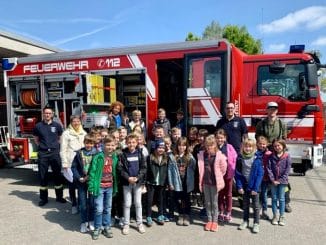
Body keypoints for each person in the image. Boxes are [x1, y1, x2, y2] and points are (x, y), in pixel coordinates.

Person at [255, 101, 292, 213]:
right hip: (265, 153)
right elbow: (258, 137)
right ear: (267, 110)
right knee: (263, 178)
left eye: (274, 109)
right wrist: (264, 147)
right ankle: (261, 202)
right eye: (270, 108)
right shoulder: (261, 124)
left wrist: (279, 150)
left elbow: (284, 138)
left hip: (277, 153)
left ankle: (286, 202)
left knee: (283, 179)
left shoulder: (282, 124)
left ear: (277, 110)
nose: (272, 111)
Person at [33, 106, 66, 206]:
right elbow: (36, 139)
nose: (47, 115)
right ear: (43, 114)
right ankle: (44, 199)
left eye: (49, 113)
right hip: (43, 153)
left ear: (52, 114)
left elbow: (60, 138)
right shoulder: (38, 126)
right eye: (45, 113)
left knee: (57, 175)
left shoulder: (57, 125)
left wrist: (55, 146)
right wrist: (43, 146)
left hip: (54, 153)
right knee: (43, 176)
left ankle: (59, 197)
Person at [88, 136, 118, 240]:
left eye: (112, 145)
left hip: (110, 187)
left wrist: (116, 187)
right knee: (98, 209)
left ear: (114, 146)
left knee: (108, 209)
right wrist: (91, 187)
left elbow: (116, 173)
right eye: (108, 145)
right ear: (103, 145)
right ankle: (97, 228)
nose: (110, 147)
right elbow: (92, 172)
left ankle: (106, 227)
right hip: (99, 187)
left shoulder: (115, 157)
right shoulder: (98, 156)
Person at [197, 135, 227, 232]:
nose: (209, 147)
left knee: (214, 203)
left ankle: (215, 221)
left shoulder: (220, 156)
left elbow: (223, 169)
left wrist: (218, 176)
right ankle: (209, 220)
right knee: (208, 202)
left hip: (215, 183)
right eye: (207, 145)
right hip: (205, 182)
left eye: (211, 145)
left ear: (215, 145)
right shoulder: (202, 155)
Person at [118, 133, 147, 235]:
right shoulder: (122, 154)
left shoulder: (140, 153)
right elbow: (120, 169)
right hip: (127, 183)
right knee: (127, 204)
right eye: (129, 142)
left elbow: (144, 168)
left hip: (137, 183)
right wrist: (128, 178)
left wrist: (138, 177)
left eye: (133, 142)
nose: (131, 144)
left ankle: (139, 223)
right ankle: (126, 224)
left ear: (136, 143)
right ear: (126, 143)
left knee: (138, 203)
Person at [60, 115, 87, 214]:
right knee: (71, 185)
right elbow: (62, 150)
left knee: (81, 184)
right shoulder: (66, 134)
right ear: (71, 122)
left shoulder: (84, 133)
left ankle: (80, 204)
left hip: (81, 163)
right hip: (70, 162)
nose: (76, 123)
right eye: (74, 121)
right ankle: (74, 204)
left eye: (78, 121)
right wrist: (64, 163)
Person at [235, 138, 264, 233]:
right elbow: (238, 173)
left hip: (255, 187)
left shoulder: (257, 158)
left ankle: (256, 223)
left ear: (254, 147)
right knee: (245, 205)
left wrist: (255, 188)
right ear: (243, 147)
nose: (248, 148)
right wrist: (239, 186)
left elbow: (260, 174)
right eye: (246, 146)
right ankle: (245, 221)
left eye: (250, 146)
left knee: (256, 206)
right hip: (245, 186)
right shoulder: (240, 158)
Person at [71, 134, 97, 233]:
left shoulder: (97, 154)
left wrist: (90, 176)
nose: (89, 145)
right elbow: (73, 167)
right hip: (81, 182)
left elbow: (98, 168)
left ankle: (91, 220)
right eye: (87, 143)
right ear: (84, 143)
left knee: (91, 202)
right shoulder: (79, 153)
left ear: (93, 144)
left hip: (91, 181)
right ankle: (83, 222)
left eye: (91, 143)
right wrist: (78, 177)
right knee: (83, 203)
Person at [170, 137, 196, 226]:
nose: (182, 147)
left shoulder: (189, 156)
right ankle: (181, 214)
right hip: (177, 182)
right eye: (180, 145)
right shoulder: (173, 157)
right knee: (178, 199)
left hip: (186, 182)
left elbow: (194, 167)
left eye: (184, 145)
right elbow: (170, 171)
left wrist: (191, 159)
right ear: (177, 146)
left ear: (186, 146)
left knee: (187, 199)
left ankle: (187, 215)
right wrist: (170, 183)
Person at [267, 139, 291, 226]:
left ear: (283, 146)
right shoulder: (271, 156)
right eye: (275, 146)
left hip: (283, 182)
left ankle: (282, 216)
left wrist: (280, 180)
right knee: (274, 199)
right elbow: (269, 168)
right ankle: (275, 216)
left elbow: (287, 169)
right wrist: (273, 180)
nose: (277, 147)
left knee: (281, 199)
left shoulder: (287, 156)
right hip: (273, 182)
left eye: (279, 145)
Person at [215, 129, 237, 223]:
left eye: (221, 138)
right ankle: (221, 211)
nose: (220, 139)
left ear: (225, 138)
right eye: (218, 138)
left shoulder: (229, 147)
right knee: (220, 194)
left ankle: (228, 212)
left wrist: (232, 168)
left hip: (228, 174)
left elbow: (235, 157)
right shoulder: (214, 147)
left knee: (228, 194)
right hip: (218, 175)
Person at [146, 139, 169, 226]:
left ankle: (160, 215)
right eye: (159, 147)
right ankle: (148, 216)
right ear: (155, 148)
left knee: (161, 199)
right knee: (149, 200)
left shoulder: (166, 158)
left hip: (162, 182)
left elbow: (167, 171)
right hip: (151, 182)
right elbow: (146, 171)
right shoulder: (150, 157)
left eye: (163, 148)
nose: (161, 149)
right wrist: (144, 183)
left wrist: (167, 182)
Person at [256, 136, 272, 220]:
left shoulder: (269, 154)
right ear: (257, 144)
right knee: (257, 195)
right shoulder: (254, 153)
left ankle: (265, 210)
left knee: (264, 194)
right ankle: (257, 210)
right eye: (260, 144)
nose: (262, 145)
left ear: (267, 144)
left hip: (265, 178)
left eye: (264, 144)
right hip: (257, 179)